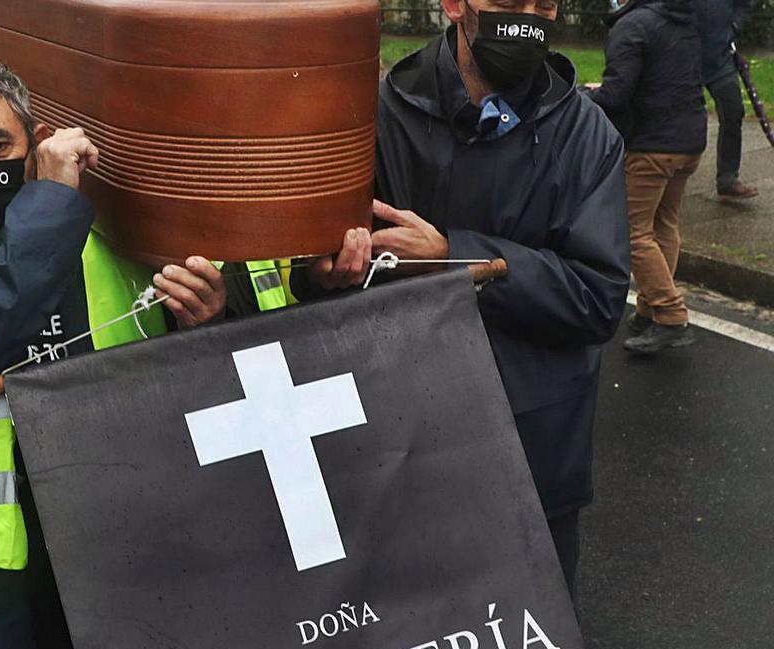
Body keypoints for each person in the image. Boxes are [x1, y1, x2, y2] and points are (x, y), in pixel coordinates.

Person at [0, 60, 227, 649]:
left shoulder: (112, 232)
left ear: (34, 142)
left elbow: (188, 358)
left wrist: (205, 315)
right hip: (3, 558)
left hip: (128, 523)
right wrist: (52, 198)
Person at [294, 0, 630, 601]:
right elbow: (311, 269)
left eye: (542, 4)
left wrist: (455, 255)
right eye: (507, 4)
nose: (527, 18)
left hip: (532, 456)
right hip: (396, 449)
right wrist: (325, 271)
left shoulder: (587, 134)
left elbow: (597, 297)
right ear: (455, 5)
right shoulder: (373, 114)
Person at [588, 0, 705, 354]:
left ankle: (669, 314)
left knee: (634, 232)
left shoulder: (634, 25)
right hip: (689, 141)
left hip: (652, 145)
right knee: (663, 224)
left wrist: (585, 94)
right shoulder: (682, 17)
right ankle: (649, 306)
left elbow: (617, 94)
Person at [692, 0, 758, 200]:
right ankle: (664, 174)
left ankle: (728, 179)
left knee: (733, 110)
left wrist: (733, 26)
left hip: (719, 57)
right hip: (683, 52)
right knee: (676, 114)